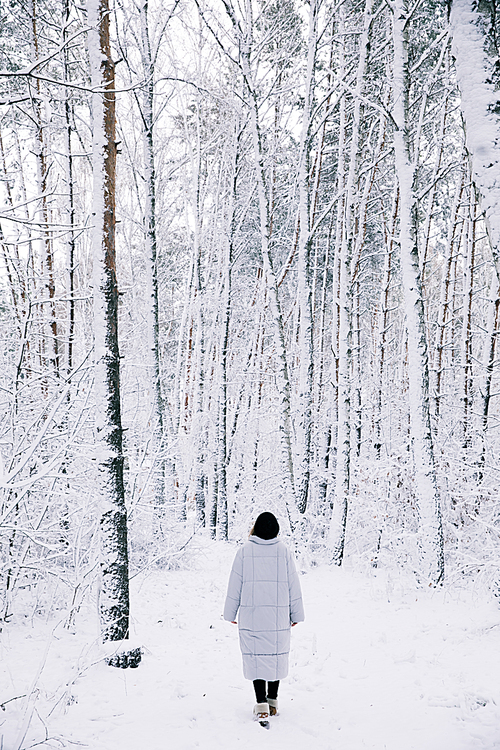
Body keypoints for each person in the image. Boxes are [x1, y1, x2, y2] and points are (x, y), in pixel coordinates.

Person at [223, 512, 305, 722]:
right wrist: (296, 614)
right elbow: (293, 585)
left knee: (256, 657)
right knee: (275, 656)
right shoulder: (284, 552)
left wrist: (230, 613)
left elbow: (235, 584)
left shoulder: (244, 552)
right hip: (278, 617)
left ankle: (261, 705)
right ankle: (273, 702)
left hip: (252, 616)